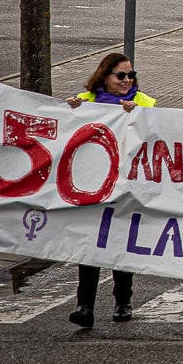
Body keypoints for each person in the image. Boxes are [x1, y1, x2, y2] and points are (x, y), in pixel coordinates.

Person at [67, 53, 152, 327]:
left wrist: (137, 116)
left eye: (131, 75)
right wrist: (69, 110)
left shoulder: (142, 102)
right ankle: (85, 305)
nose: (127, 80)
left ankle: (123, 301)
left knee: (119, 243)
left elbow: (157, 131)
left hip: (126, 184)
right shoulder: (86, 102)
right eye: (121, 75)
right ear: (105, 76)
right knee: (89, 245)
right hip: (92, 184)